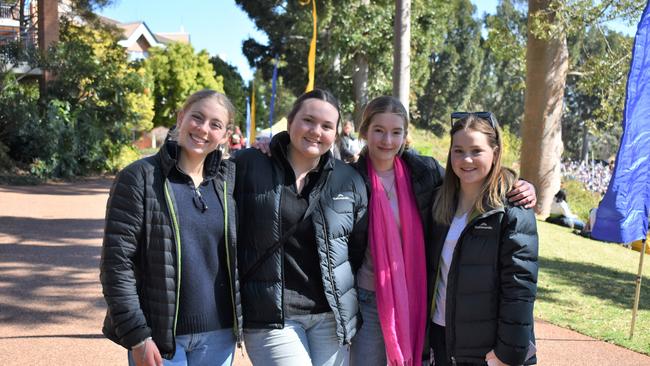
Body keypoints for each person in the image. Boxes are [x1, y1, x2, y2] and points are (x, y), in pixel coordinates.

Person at [347, 98, 537, 366]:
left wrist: (522, 186)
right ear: (365, 130)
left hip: (418, 298)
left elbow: (519, 284)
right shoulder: (348, 178)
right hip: (374, 297)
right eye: (378, 130)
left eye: (396, 131)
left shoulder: (424, 174)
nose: (387, 140)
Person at [100, 90, 242, 366]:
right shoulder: (139, 177)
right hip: (159, 338)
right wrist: (137, 335)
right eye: (197, 118)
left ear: (225, 135)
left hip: (219, 337)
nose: (203, 129)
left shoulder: (227, 182)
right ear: (181, 117)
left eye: (215, 124)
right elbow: (116, 264)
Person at [234, 88, 368, 366]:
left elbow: (356, 248)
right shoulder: (249, 165)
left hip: (331, 317)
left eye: (327, 126)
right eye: (308, 121)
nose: (316, 131)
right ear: (290, 121)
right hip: (271, 315)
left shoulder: (349, 180)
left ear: (335, 133)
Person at [428, 112, 538, 366]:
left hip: (487, 349)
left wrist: (509, 352)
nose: (466, 159)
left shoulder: (512, 208)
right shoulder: (439, 203)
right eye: (458, 150)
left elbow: (520, 287)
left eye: (476, 150)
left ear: (495, 153)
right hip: (440, 337)